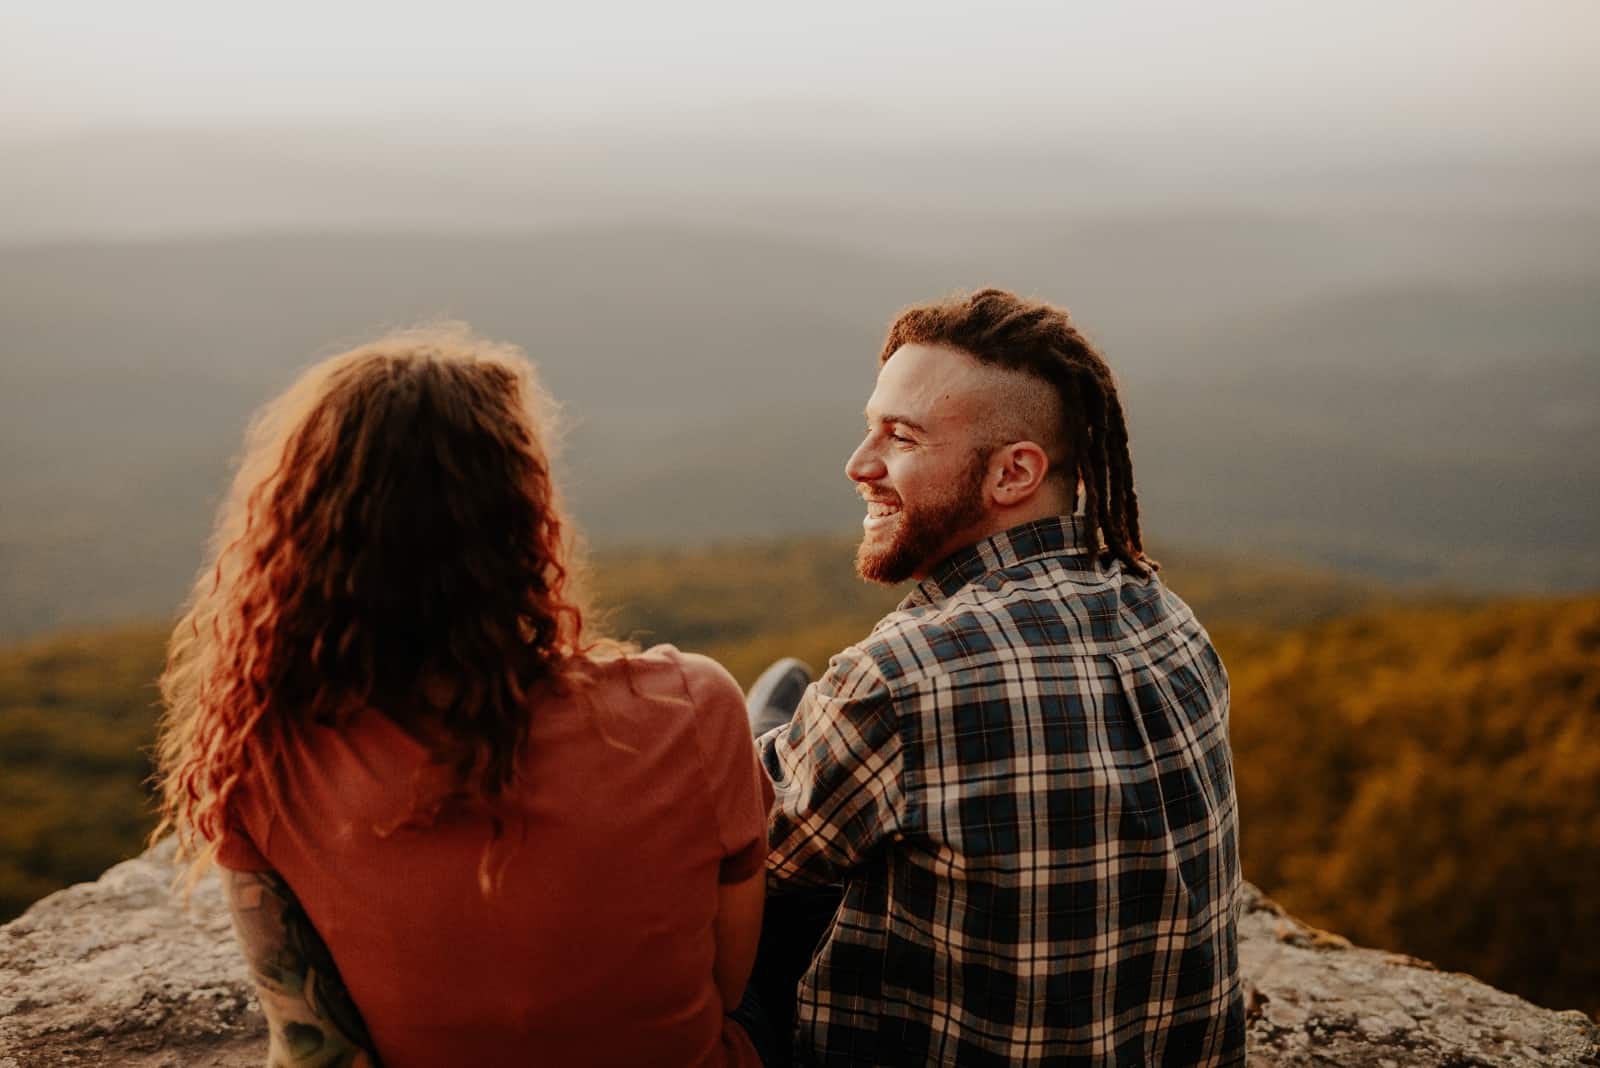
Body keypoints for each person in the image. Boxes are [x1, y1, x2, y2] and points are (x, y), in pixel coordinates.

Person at [151, 325, 775, 1068]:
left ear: (303, 536)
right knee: (774, 704)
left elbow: (310, 1047)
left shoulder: (263, 752)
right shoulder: (690, 705)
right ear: (522, 521)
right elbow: (728, 981)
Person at [756, 289, 1245, 1066]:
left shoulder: (901, 676)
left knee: (758, 727)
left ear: (1014, 473)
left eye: (901, 437)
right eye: (868, 426)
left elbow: (735, 859)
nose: (859, 464)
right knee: (792, 707)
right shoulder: (1172, 618)